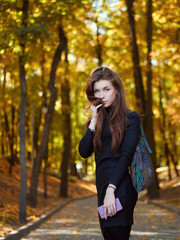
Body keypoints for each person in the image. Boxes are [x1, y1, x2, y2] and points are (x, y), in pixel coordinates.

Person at [78, 66, 140, 240]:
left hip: (119, 187)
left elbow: (126, 157)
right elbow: (84, 152)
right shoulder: (96, 120)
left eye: (106, 89)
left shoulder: (131, 118)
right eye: (96, 91)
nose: (101, 95)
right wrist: (93, 122)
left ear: (117, 90)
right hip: (103, 189)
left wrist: (111, 190)